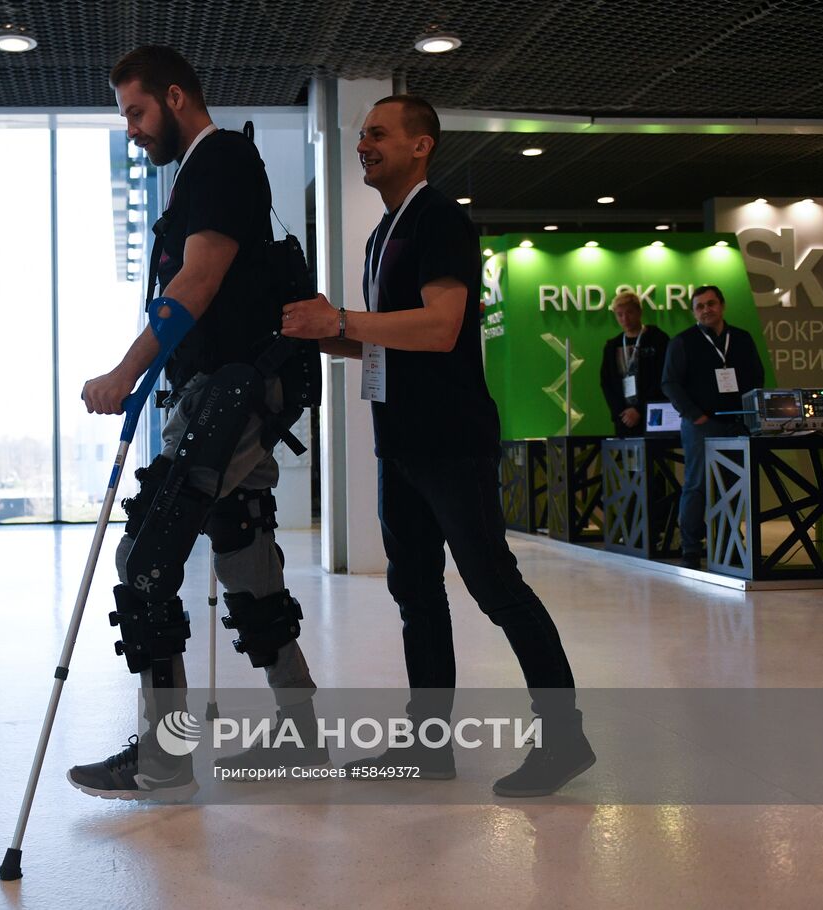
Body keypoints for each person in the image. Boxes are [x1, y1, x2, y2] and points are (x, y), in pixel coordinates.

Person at [279, 94, 593, 797]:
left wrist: (347, 318)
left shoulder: (441, 220)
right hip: (401, 443)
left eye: (378, 133)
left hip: (451, 443)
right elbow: (386, 342)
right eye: (360, 133)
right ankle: (428, 745)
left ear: (421, 145)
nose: (364, 142)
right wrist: (318, 333)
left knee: (495, 586)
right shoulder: (382, 233)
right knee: (415, 593)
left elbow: (443, 327)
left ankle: (565, 738)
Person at [65, 45, 323, 801]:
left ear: (176, 98)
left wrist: (125, 370)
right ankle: (301, 734)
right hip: (226, 394)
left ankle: (163, 755)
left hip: (229, 397)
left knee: (144, 561)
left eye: (137, 113)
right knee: (243, 550)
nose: (132, 130)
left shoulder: (221, 163)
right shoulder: (201, 174)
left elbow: (198, 280)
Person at [661, 285, 765, 569]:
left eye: (711, 304)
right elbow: (669, 383)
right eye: (700, 306)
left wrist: (750, 418)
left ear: (722, 305)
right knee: (697, 486)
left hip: (737, 424)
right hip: (701, 426)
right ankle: (691, 548)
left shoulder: (741, 339)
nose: (706, 310)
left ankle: (731, 544)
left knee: (733, 487)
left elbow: (757, 377)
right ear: (694, 312)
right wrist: (695, 415)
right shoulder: (683, 341)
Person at [600, 291, 670, 437]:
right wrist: (621, 411)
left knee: (656, 456)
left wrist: (639, 409)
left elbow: (663, 377)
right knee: (626, 457)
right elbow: (607, 383)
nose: (625, 318)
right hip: (624, 418)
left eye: (629, 312)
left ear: (639, 312)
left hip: (653, 413)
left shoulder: (658, 339)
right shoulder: (612, 346)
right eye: (619, 314)